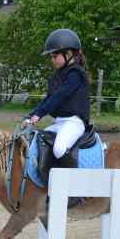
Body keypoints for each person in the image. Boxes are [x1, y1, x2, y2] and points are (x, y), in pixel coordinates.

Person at [22, 28, 91, 170]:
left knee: (59, 148)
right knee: (38, 142)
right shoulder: (58, 75)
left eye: (55, 56)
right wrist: (31, 116)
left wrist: (39, 115)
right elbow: (49, 98)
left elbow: (59, 97)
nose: (52, 60)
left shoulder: (76, 74)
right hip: (59, 122)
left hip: (74, 123)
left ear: (68, 54)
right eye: (51, 57)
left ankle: (72, 184)